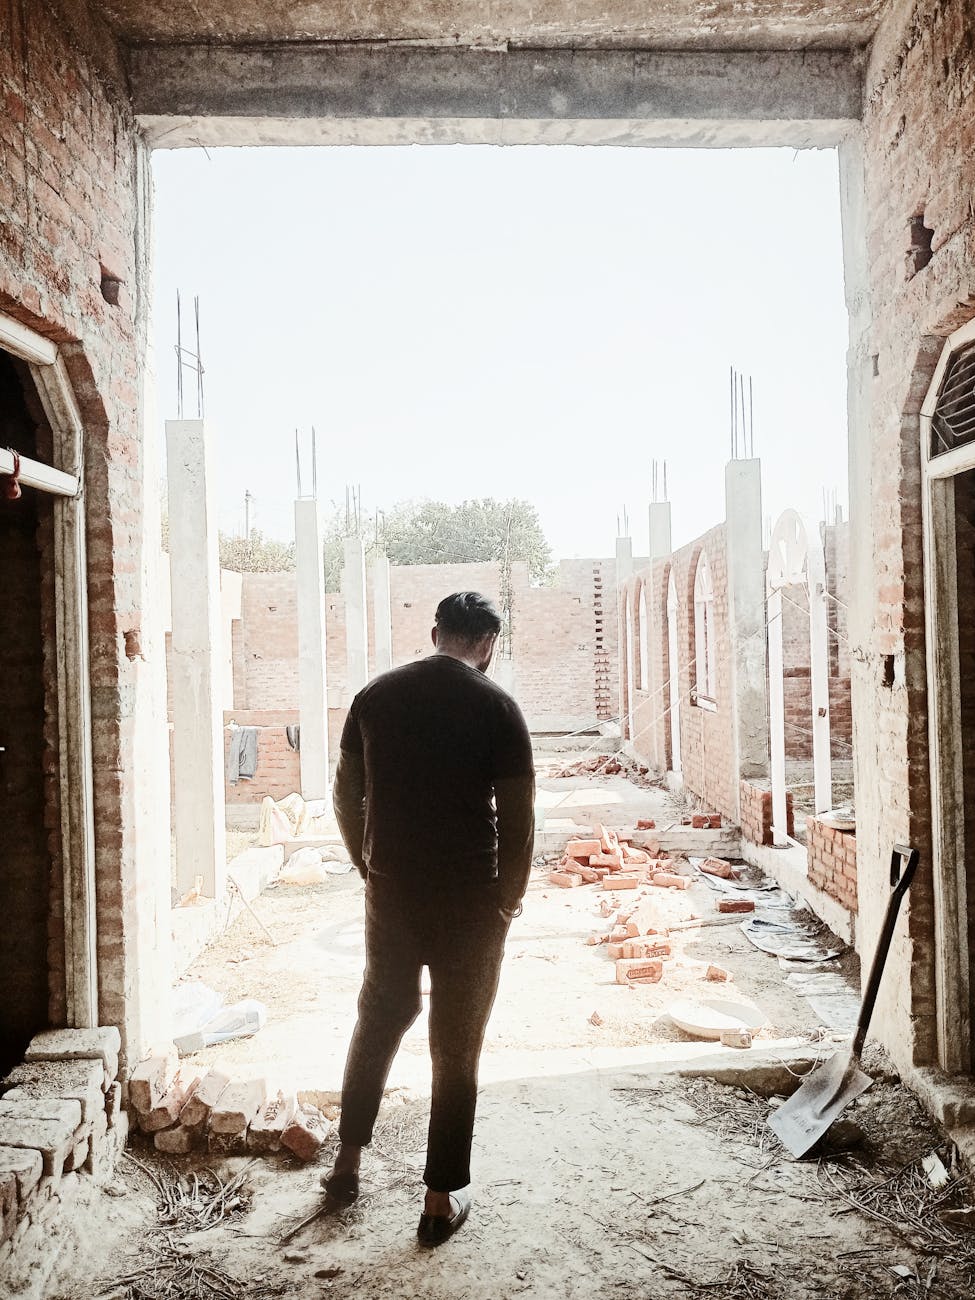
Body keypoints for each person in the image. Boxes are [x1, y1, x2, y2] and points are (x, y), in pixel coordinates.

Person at [325, 591, 535, 1246]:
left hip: (392, 893)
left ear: (436, 631)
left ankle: (346, 1166)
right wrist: (508, 896)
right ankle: (438, 1201)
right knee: (456, 1043)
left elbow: (344, 792)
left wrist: (366, 862)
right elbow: (521, 820)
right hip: (472, 902)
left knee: (378, 1019)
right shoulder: (498, 707)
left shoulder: (374, 697)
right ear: (488, 645)